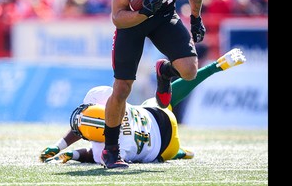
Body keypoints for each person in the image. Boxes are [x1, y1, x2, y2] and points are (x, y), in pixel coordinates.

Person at [103, 0, 207, 168]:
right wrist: (143, 11)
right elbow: (117, 17)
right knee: (122, 87)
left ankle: (165, 71)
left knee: (189, 70)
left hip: (164, 16)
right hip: (134, 21)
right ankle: (111, 149)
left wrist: (195, 18)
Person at [39, 48, 245, 166]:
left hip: (164, 148)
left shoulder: (118, 147)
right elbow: (89, 125)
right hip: (155, 113)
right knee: (164, 102)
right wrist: (64, 149)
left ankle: (181, 152)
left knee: (162, 153)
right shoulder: (101, 97)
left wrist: (66, 152)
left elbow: (88, 151)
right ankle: (213, 67)